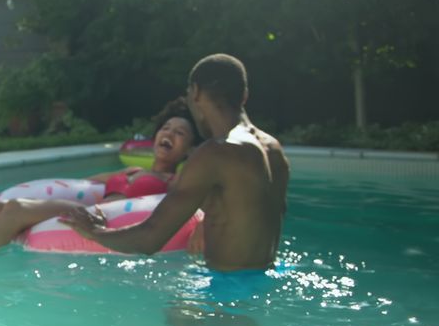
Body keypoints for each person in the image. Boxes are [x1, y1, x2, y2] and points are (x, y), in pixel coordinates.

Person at [0, 99, 200, 265]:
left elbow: (191, 202)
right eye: (166, 128)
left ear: (189, 149)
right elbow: (81, 184)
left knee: (16, 207)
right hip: (90, 205)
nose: (169, 135)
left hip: (103, 217)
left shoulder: (176, 181)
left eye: (180, 133)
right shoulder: (132, 170)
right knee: (0, 204)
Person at [61, 53, 290, 272]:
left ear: (196, 92)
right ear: (245, 96)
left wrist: (94, 231)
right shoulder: (274, 150)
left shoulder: (215, 153)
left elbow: (150, 239)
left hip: (226, 291)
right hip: (267, 276)